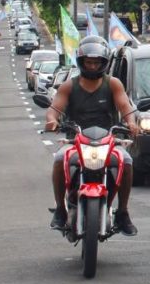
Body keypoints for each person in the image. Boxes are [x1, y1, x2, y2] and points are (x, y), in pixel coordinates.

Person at [45, 36, 142, 236]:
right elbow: (55, 108)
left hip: (109, 141)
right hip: (75, 141)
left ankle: (122, 212)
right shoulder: (69, 86)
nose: (92, 66)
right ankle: (61, 210)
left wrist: (131, 123)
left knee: (127, 161)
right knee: (59, 158)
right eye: (88, 62)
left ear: (103, 63)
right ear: (81, 63)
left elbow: (125, 106)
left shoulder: (113, 84)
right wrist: (52, 120)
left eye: (96, 62)